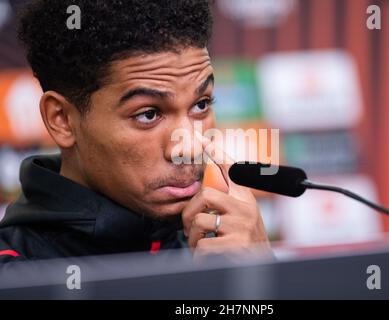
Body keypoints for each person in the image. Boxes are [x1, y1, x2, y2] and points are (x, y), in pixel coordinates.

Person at [0, 0, 271, 263]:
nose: (188, 147)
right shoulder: (13, 274)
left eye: (201, 105)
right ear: (61, 119)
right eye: (148, 114)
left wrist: (260, 280)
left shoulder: (226, 247)